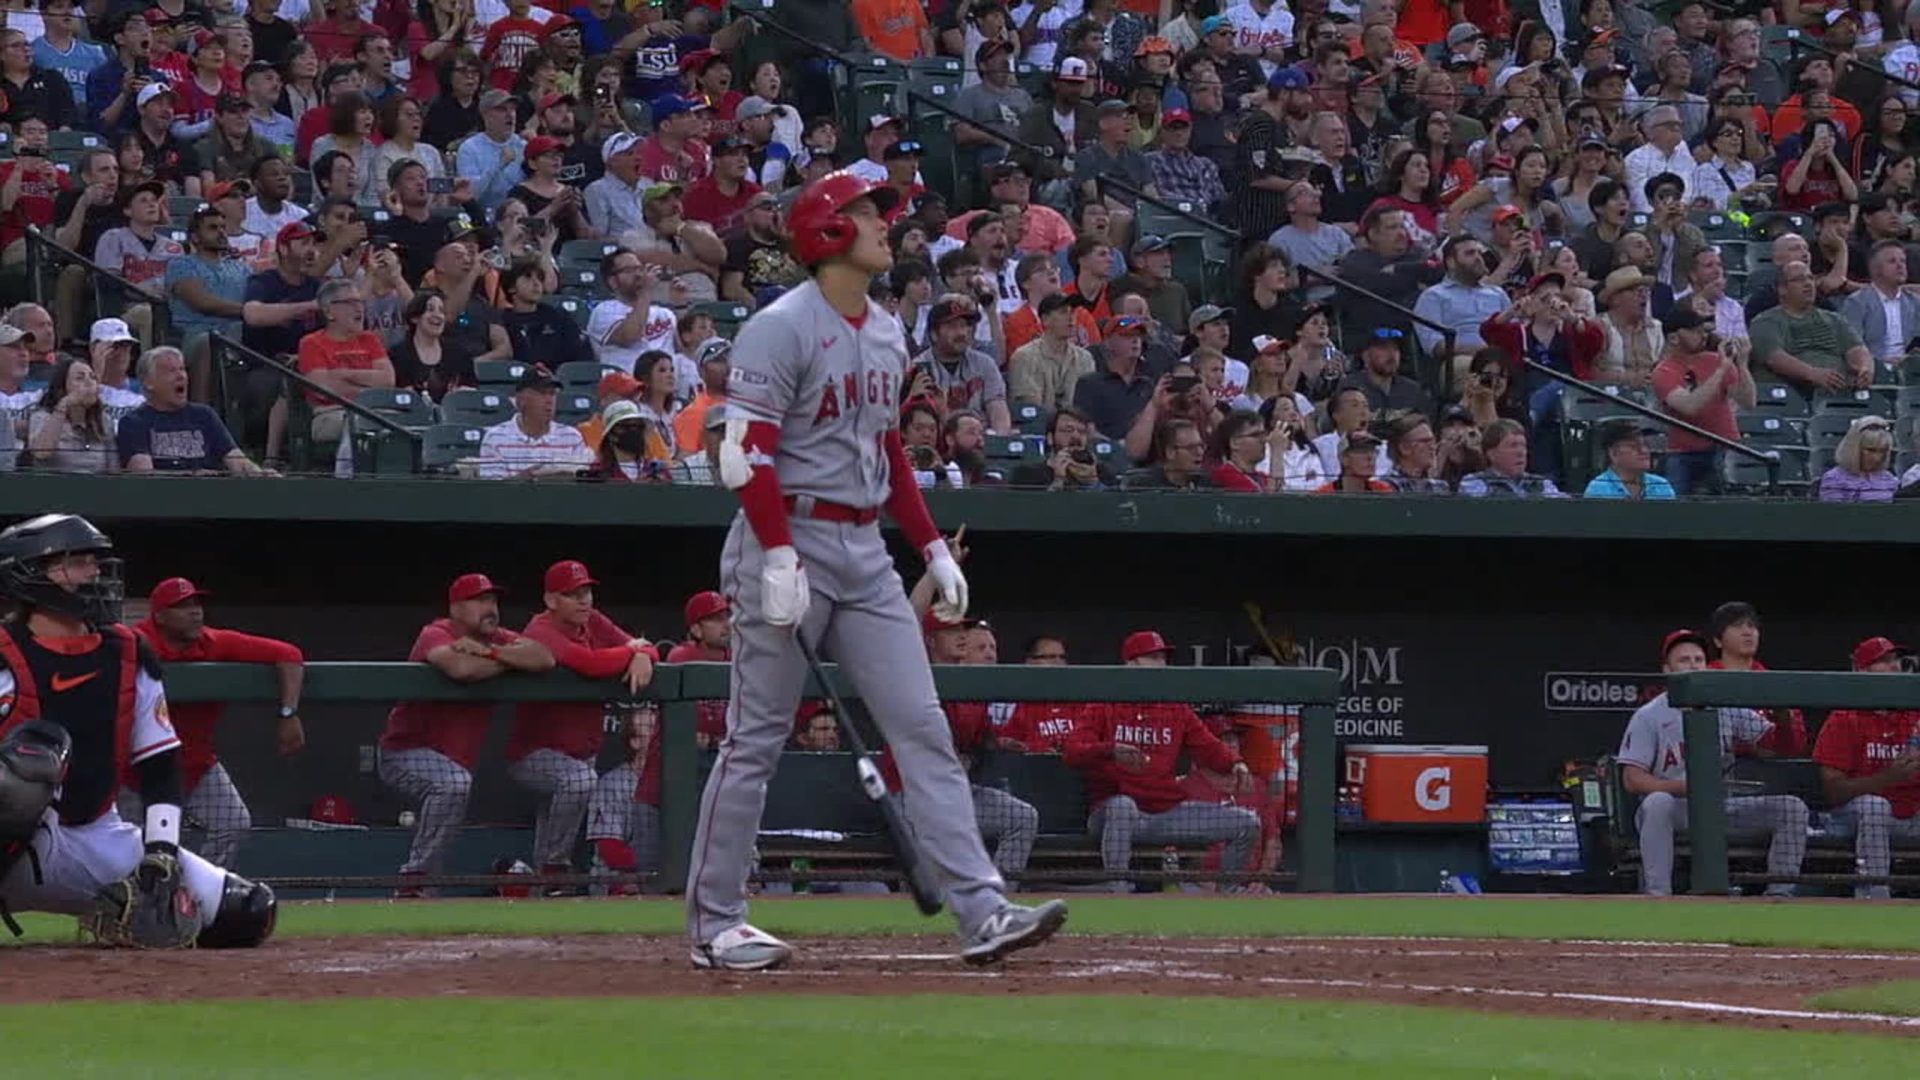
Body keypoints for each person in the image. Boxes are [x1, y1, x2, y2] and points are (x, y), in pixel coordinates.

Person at [685, 170, 1066, 971]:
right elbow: (746, 455)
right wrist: (776, 553)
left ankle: (982, 910)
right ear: (827, 232)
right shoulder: (779, 327)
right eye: (865, 214)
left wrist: (929, 546)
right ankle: (716, 922)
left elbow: (887, 449)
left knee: (923, 727)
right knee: (755, 738)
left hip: (864, 548)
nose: (883, 224)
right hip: (785, 533)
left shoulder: (888, 330)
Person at [0, 515, 279, 950]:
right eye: (77, 562)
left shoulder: (127, 650)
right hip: (16, 843)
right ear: (29, 574)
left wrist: (161, 850)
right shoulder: (5, 652)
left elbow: (159, 762)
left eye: (94, 561)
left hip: (94, 832)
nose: (94, 572)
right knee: (28, 762)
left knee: (247, 911)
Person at [380, 573, 556, 896]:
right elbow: (462, 669)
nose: (490, 608)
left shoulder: (497, 639)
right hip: (404, 752)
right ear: (456, 608)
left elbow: (544, 658)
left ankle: (422, 889)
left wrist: (491, 653)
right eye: (479, 601)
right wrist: (512, 662)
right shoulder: (436, 633)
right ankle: (413, 878)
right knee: (454, 783)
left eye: (493, 600)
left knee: (454, 785)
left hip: (452, 758)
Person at [1617, 628, 1809, 898]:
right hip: (1677, 809)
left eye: (1698, 659)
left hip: (1722, 807)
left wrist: (1782, 715)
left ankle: (1779, 895)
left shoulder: (1724, 706)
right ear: (1667, 670)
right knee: (1657, 803)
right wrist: (1684, 787)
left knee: (1792, 808)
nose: (1693, 665)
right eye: (1684, 660)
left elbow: (1778, 745)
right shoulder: (1649, 716)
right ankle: (1659, 895)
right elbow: (1632, 779)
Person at [1064, 629, 1258, 893]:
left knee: (1246, 823)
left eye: (1163, 658)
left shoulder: (1174, 708)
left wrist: (1236, 763)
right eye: (1152, 657)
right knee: (1122, 806)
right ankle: (1117, 888)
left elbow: (1209, 747)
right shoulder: (1104, 704)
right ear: (1131, 664)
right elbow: (1073, 751)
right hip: (1112, 816)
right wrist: (1110, 750)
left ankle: (1228, 893)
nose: (1161, 664)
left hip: (1165, 813)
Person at [129, 577, 304, 869]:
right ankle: (136, 895)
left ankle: (197, 887)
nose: (195, 611)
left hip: (196, 765)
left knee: (233, 824)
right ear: (159, 616)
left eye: (196, 603)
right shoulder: (134, 642)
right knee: (133, 845)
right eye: (182, 606)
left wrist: (288, 713)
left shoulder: (214, 642)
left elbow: (289, 654)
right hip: (138, 770)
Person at [509, 559, 658, 883]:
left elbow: (648, 647)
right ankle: (555, 866)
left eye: (586, 592)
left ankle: (545, 887)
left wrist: (644, 653)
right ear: (551, 600)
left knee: (552, 819)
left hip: (580, 751)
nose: (583, 600)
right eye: (572, 594)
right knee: (578, 781)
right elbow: (588, 664)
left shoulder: (593, 620)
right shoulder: (540, 630)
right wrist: (632, 652)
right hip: (534, 754)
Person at [1812, 636, 1920, 900]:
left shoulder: (1914, 715)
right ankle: (1875, 898)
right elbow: (1834, 792)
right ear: (1861, 670)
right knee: (1875, 806)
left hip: (1911, 816)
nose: (1893, 666)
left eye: (1895, 660)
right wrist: (1888, 777)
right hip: (1853, 818)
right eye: (1883, 661)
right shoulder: (1844, 718)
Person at [117, 347, 271, 474]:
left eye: (182, 369)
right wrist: (191, 477)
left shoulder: (204, 415)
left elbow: (236, 460)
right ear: (148, 383)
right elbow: (143, 476)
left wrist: (260, 475)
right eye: (171, 371)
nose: (181, 376)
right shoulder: (134, 422)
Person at [1650, 305, 1752, 498]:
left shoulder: (1716, 360)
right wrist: (1721, 371)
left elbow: (1748, 402)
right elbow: (1690, 406)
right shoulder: (1664, 371)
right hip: (1683, 453)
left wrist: (1742, 365)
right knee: (1675, 504)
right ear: (1674, 338)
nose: (1703, 335)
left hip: (1725, 447)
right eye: (1694, 331)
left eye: (1703, 330)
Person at [295, 278, 395, 446]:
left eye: (360, 302)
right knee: (367, 425)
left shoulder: (369, 339)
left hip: (375, 411)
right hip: (330, 413)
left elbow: (388, 381)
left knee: (407, 421)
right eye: (350, 302)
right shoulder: (311, 343)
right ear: (329, 312)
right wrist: (371, 389)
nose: (359, 308)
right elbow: (324, 390)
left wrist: (343, 374)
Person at [1751, 261, 1875, 395]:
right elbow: (1774, 358)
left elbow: (1857, 348)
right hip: (1794, 394)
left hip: (1840, 392)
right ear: (1782, 289)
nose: (1808, 284)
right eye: (1799, 280)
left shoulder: (1835, 319)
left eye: (1810, 278)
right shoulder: (1765, 321)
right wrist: (1812, 374)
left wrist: (1864, 368)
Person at [1707, 601, 1808, 757]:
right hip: (1715, 767)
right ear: (1718, 640)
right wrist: (1750, 749)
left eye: (1752, 626)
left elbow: (1797, 747)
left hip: (1768, 770)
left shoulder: (1774, 683)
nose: (1747, 632)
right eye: (1738, 626)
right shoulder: (1705, 679)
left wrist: (1784, 723)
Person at [477, 364, 592, 480]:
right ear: (521, 400)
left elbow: (582, 484)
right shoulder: (495, 438)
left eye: (552, 393)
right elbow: (490, 489)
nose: (549, 400)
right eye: (542, 393)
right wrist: (524, 481)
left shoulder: (572, 437)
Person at [25, 357, 116, 473]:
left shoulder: (103, 420)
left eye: (93, 377)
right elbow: (41, 453)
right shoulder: (42, 417)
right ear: (62, 388)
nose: (89, 382)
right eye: (80, 378)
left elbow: (113, 469)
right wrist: (64, 405)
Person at [1007, 294, 1096, 411]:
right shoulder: (1024, 357)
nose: (1071, 318)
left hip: (1076, 421)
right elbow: (1029, 406)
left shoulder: (1084, 358)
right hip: (1038, 421)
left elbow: (1089, 402)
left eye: (1072, 312)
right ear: (1045, 320)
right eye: (1063, 312)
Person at [1840, 241, 1920, 365]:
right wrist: (1881, 362)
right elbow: (1851, 346)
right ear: (1875, 269)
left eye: (1903, 261)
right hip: (1873, 368)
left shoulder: (1915, 302)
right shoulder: (1856, 303)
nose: (1900, 266)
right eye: (1892, 261)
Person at [1459, 418, 1564, 497]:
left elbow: (1564, 507)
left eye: (1523, 446)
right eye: (1513, 446)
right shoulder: (1474, 483)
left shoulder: (1542, 484)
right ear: (1491, 454)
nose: (1521, 452)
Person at [1583, 420, 1677, 500]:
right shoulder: (1598, 489)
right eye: (1633, 446)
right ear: (1613, 453)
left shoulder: (1661, 485)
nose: (1644, 451)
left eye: (1645, 445)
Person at [1819, 415, 1900, 502]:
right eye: (1871, 450)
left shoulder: (1888, 479)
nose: (1877, 457)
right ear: (1854, 448)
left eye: (1882, 451)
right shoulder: (1834, 479)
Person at [1120, 417, 1213, 491]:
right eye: (1191, 448)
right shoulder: (1143, 486)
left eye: (1201, 446)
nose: (1200, 452)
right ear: (1170, 452)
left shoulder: (1207, 485)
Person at [1380, 414, 1448, 494]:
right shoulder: (1386, 487)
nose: (1433, 447)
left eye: (1433, 441)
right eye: (1425, 441)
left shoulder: (1439, 488)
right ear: (1404, 448)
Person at [1206, 409, 1270, 492]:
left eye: (1264, 434)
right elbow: (1269, 499)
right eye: (1255, 435)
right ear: (1234, 443)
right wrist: (1277, 454)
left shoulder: (1263, 477)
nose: (1264, 440)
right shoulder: (1225, 474)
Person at [1316, 430, 1393, 493]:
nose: (1370, 457)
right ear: (1344, 458)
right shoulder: (1324, 495)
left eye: (1373, 451)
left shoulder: (1382, 492)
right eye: (1362, 450)